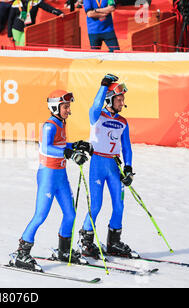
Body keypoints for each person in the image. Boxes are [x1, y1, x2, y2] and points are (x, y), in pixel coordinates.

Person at [10, 90, 94, 271]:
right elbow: (46, 148)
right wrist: (69, 153)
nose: (68, 110)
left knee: (70, 214)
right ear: (55, 106)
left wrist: (77, 144)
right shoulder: (49, 126)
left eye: (69, 106)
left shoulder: (62, 123)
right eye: (65, 107)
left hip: (61, 176)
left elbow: (61, 145)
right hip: (48, 175)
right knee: (40, 215)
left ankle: (64, 251)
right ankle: (22, 253)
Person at [78, 73, 135, 259]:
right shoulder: (97, 116)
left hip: (114, 165)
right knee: (96, 205)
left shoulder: (123, 122)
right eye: (119, 99)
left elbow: (127, 147)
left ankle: (114, 242)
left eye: (123, 99)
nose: (122, 102)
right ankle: (86, 241)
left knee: (119, 205)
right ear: (110, 100)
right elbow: (95, 105)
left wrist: (128, 168)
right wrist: (104, 86)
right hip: (97, 164)